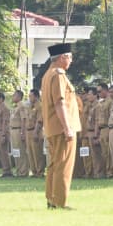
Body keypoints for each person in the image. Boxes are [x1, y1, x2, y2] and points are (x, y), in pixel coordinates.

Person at [40, 43, 81, 210]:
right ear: (62, 57)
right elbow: (60, 103)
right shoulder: (58, 75)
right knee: (63, 165)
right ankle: (60, 201)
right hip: (61, 128)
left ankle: (52, 199)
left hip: (53, 127)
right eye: (69, 57)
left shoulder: (47, 74)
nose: (71, 60)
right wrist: (67, 127)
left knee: (55, 164)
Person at [0, 92, 12, 177]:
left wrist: (4, 134)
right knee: (0, 152)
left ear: (1, 99)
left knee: (4, 152)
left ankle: (8, 171)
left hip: (2, 131)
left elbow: (5, 122)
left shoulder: (5, 109)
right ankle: (4, 170)